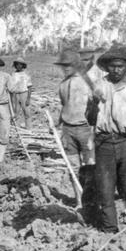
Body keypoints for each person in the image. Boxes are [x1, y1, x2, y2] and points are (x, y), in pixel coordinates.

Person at [91, 47, 126, 239]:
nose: (116, 70)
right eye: (112, 66)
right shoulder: (99, 86)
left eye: (120, 66)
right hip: (104, 143)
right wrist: (92, 103)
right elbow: (90, 119)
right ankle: (109, 231)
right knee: (106, 191)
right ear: (107, 67)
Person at [54, 50, 97, 224]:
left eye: (68, 66)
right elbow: (64, 106)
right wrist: (57, 124)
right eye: (63, 66)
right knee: (72, 168)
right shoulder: (63, 85)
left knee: (90, 168)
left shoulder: (88, 82)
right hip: (68, 130)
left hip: (85, 130)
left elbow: (96, 107)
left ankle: (90, 202)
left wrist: (95, 130)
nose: (65, 69)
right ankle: (79, 200)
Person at [8, 57, 33, 129]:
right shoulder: (13, 74)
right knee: (16, 112)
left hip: (24, 94)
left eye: (20, 65)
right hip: (15, 95)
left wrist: (28, 98)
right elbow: (11, 86)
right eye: (17, 64)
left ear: (23, 65)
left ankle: (29, 129)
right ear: (15, 65)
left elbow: (29, 87)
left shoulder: (26, 74)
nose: (18, 66)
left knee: (27, 112)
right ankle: (17, 129)